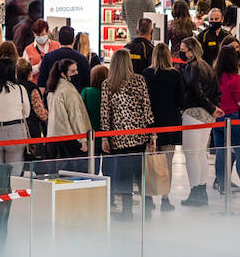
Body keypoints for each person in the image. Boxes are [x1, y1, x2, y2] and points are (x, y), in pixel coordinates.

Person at [97, 49, 153, 219]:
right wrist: (151, 133)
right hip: (138, 136)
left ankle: (127, 211)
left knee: (124, 175)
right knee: (140, 173)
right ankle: (147, 207)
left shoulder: (108, 84)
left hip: (118, 138)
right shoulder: (139, 80)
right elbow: (146, 108)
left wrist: (105, 136)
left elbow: (105, 113)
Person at [178, 37, 220, 207]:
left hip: (194, 114)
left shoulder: (192, 67)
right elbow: (216, 91)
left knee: (191, 155)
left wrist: (211, 107)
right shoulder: (207, 66)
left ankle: (195, 192)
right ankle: (201, 190)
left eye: (183, 49)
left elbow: (196, 92)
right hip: (207, 116)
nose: (181, 52)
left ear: (191, 50)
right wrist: (213, 108)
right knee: (201, 153)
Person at [142, 43, 183, 213]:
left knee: (149, 161)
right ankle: (166, 199)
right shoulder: (175, 75)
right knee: (167, 162)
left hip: (150, 124)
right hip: (169, 123)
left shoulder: (146, 73)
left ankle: (148, 197)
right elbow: (181, 100)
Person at [212, 43, 240, 195]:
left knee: (220, 153)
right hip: (231, 118)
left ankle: (222, 186)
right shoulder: (235, 78)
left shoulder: (215, 75)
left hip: (217, 118)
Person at [0, 57, 31, 172]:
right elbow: (27, 113)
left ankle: (1, 190)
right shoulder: (20, 89)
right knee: (15, 173)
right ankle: (13, 190)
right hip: (15, 131)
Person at [45, 58, 89, 161]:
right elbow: (75, 116)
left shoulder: (52, 89)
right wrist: (82, 139)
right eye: (73, 71)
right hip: (68, 137)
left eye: (76, 70)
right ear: (63, 74)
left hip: (52, 136)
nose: (77, 73)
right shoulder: (69, 90)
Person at [36, 24, 91, 89]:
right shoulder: (82, 59)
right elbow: (87, 84)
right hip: (76, 96)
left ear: (58, 39)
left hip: (53, 97)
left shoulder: (48, 57)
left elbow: (42, 84)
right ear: (74, 40)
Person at [18, 58, 49, 140]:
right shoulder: (33, 88)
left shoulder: (13, 86)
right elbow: (40, 112)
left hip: (16, 127)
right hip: (31, 127)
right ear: (30, 73)